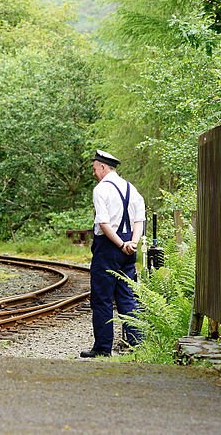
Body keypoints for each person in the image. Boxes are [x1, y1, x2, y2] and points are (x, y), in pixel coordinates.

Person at [81, 149, 146, 358]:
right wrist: (132, 243)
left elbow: (104, 223)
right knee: (127, 296)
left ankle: (102, 348)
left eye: (94, 169)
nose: (93, 173)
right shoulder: (131, 189)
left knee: (102, 298)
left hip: (109, 248)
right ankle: (137, 345)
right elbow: (139, 220)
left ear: (102, 167)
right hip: (128, 247)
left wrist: (120, 245)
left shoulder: (101, 190)